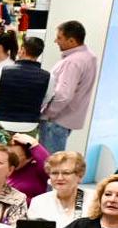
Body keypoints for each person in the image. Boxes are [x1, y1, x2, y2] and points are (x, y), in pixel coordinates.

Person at [41, 20, 97, 153]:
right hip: (66, 119)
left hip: (55, 121)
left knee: (49, 164)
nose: (56, 41)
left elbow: (63, 96)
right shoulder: (89, 56)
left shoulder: (72, 62)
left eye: (59, 38)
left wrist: (48, 114)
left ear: (72, 41)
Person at [28, 149, 87, 228]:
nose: (59, 178)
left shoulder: (94, 201)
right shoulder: (38, 202)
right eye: (54, 173)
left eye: (66, 173)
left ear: (79, 176)